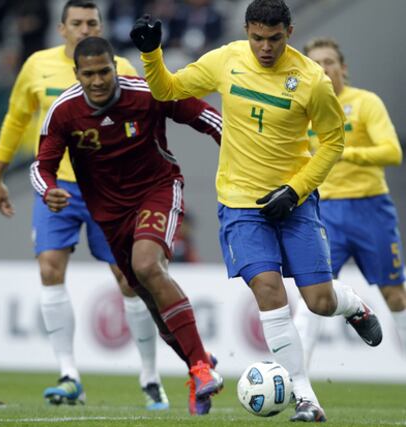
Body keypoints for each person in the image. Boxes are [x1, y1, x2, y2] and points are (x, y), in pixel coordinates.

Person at [130, 0, 384, 421]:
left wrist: (296, 188)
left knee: (319, 301)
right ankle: (305, 397)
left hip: (295, 203)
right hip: (240, 203)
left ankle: (353, 305)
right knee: (268, 290)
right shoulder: (226, 59)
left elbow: (333, 143)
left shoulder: (311, 81)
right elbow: (167, 90)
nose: (265, 47)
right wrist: (152, 55)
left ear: (289, 31)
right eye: (257, 38)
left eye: (274, 38)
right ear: (247, 30)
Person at [30, 36, 224, 416]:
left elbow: (206, 117)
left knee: (147, 265)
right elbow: (42, 166)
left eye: (105, 71)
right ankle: (198, 366)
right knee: (148, 297)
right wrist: (48, 190)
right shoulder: (64, 111)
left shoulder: (148, 93)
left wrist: (238, 154)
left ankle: (200, 368)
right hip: (110, 215)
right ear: (77, 74)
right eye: (89, 74)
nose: (98, 80)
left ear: (115, 68)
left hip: (157, 190)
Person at [0, 0, 170, 410]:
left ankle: (150, 376)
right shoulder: (37, 65)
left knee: (129, 281)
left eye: (92, 22)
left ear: (102, 27)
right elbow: (17, 119)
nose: (84, 28)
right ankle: (69, 373)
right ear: (61, 28)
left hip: (111, 189)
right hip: (57, 187)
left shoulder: (122, 69)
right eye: (77, 23)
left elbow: (144, 124)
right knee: (49, 269)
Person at [292, 37, 406, 367]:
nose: (323, 68)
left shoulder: (366, 102)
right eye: (316, 63)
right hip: (324, 212)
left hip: (371, 209)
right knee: (311, 295)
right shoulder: (304, 108)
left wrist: (344, 152)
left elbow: (392, 152)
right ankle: (300, 386)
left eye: (329, 62)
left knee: (395, 296)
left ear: (343, 68)